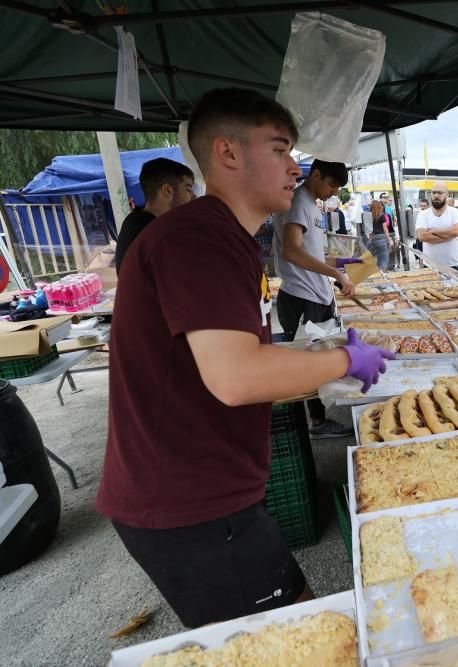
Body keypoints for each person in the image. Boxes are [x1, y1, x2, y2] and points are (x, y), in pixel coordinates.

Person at [96, 88, 393, 629]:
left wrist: (316, 351)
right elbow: (236, 377)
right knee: (297, 639)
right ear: (228, 154)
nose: (295, 166)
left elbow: (233, 353)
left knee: (299, 629)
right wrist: (344, 361)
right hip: (189, 500)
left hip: (206, 487)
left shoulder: (222, 237)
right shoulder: (197, 239)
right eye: (280, 150)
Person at [272, 159, 359, 437]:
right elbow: (291, 250)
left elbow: (312, 254)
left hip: (315, 294)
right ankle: (316, 424)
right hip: (301, 296)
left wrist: (345, 264)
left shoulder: (311, 205)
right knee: (305, 361)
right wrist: (334, 271)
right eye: (332, 185)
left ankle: (320, 419)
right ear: (316, 175)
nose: (334, 192)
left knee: (317, 356)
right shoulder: (298, 202)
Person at [114, 158, 196, 273]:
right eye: (188, 189)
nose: (194, 196)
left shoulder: (137, 222)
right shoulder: (153, 231)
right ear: (167, 190)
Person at [415, 181, 458, 271]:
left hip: (453, 266)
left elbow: (456, 231)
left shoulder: (456, 212)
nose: (436, 195)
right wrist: (449, 236)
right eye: (434, 192)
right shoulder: (423, 214)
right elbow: (422, 236)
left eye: (440, 193)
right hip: (430, 266)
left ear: (447, 194)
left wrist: (433, 231)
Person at [367, 200, 395, 270]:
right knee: (384, 258)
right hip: (381, 239)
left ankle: (376, 273)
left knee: (373, 258)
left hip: (372, 239)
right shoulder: (382, 216)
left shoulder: (369, 216)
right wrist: (389, 240)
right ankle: (382, 273)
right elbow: (385, 229)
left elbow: (368, 229)